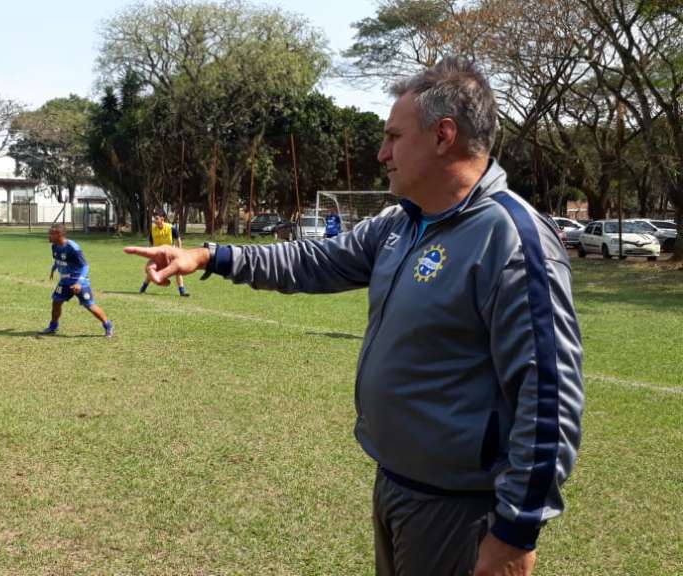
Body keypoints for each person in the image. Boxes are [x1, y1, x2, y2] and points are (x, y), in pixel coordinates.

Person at [125, 57, 583, 576]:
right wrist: (211, 256)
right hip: (396, 484)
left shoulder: (511, 239)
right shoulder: (401, 224)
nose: (382, 153)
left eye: (393, 137)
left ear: (443, 136)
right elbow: (312, 260)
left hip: (460, 509)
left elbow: (549, 396)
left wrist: (516, 531)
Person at [41, 224, 113, 338]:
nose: (48, 236)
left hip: (78, 282)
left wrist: (79, 283)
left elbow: (85, 266)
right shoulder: (54, 246)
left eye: (51, 234)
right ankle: (53, 327)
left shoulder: (72, 247)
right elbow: (59, 259)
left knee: (90, 306)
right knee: (56, 302)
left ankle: (108, 325)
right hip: (64, 281)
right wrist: (54, 268)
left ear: (59, 234)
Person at [140, 211, 189, 297]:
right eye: (154, 218)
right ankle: (143, 288)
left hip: (170, 255)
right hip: (158, 255)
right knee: (151, 271)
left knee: (177, 271)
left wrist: (179, 251)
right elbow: (151, 244)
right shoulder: (153, 230)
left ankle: (182, 291)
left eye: (156, 218)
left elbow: (178, 239)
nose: (155, 220)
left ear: (162, 218)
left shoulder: (170, 228)